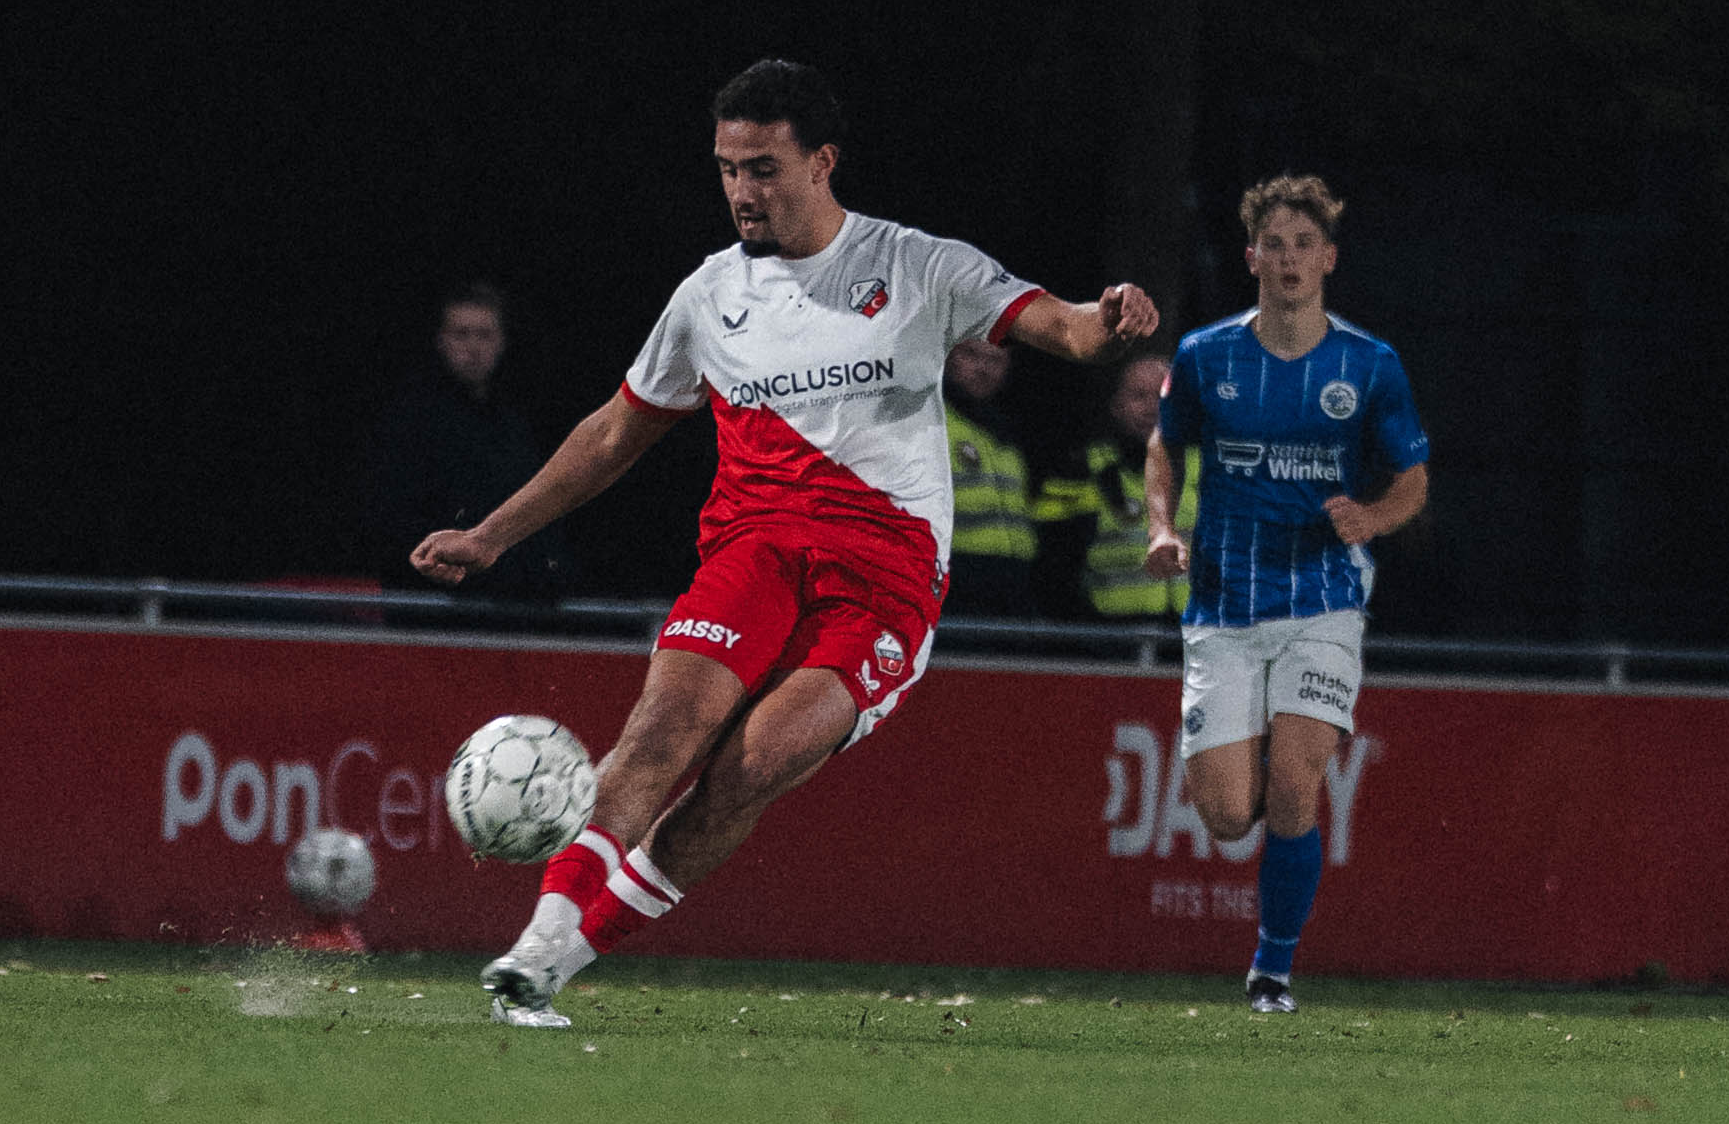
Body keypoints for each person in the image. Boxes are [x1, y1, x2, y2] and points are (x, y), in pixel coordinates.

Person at [413, 59, 1160, 1021]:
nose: (740, 192)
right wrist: (491, 536)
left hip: (884, 582)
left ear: (822, 162)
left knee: (752, 766)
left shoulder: (917, 266)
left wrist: (1109, 321)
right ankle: (536, 948)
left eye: (762, 168)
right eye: (727, 169)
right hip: (752, 554)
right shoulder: (709, 296)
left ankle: (571, 955)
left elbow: (1057, 325)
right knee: (659, 730)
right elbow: (612, 431)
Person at [1144, 174, 1429, 1015]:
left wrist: (1370, 517)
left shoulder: (1368, 364)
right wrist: (1161, 526)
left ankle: (1271, 972)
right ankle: (1233, 770)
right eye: (1275, 245)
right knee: (1231, 816)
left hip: (1322, 600)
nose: (1290, 259)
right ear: (1251, 258)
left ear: (1328, 259)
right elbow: (1164, 449)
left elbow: (1412, 478)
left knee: (1297, 785)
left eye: (1305, 245)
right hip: (1224, 603)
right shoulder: (1205, 356)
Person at [362, 285, 571, 603]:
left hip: (515, 606)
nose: (473, 346)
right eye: (462, 334)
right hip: (437, 606)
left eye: (484, 335)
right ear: (442, 341)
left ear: (501, 342)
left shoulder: (514, 424)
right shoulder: (409, 423)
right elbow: (393, 520)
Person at [1036, 351, 1197, 620]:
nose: (1152, 407)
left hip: (1189, 640)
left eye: (1162, 397)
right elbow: (1054, 567)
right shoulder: (1080, 470)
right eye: (1138, 396)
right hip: (1110, 639)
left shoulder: (1209, 470)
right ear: (1116, 404)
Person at [940, 334, 1039, 619]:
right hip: (953, 579)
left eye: (995, 360)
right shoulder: (933, 420)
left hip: (1013, 581)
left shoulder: (1009, 431)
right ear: (948, 356)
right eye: (971, 355)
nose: (983, 368)